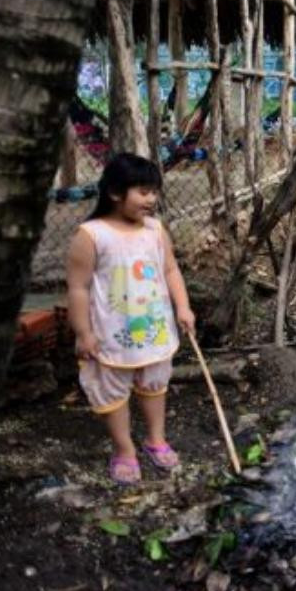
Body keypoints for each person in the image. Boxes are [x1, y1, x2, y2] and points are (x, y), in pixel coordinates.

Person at [66, 153, 195, 484]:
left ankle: (156, 438)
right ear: (114, 193)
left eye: (154, 191)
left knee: (155, 385)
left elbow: (170, 269)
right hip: (110, 335)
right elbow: (78, 288)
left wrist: (183, 307)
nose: (151, 199)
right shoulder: (91, 235)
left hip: (155, 331)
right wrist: (83, 332)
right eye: (142, 191)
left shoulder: (155, 230)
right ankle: (124, 449)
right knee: (113, 392)